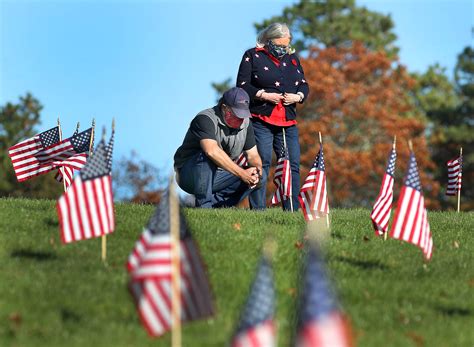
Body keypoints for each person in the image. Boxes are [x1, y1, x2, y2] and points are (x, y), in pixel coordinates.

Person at [236, 22, 309, 211]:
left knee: (291, 164)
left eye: (286, 46)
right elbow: (242, 85)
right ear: (268, 41)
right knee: (262, 161)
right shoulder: (252, 56)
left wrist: (298, 96)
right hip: (262, 120)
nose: (283, 49)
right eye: (279, 45)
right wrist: (263, 94)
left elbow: (303, 84)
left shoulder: (292, 58)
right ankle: (258, 210)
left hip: (288, 121)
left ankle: (291, 209)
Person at [174, 87, 263, 208]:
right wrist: (242, 173)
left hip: (220, 175)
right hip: (188, 175)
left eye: (243, 114)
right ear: (224, 108)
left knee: (257, 173)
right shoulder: (205, 119)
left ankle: (219, 207)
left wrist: (256, 171)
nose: (240, 119)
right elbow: (211, 151)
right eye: (237, 114)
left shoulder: (246, 123)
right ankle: (204, 207)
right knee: (206, 156)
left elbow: (253, 155)